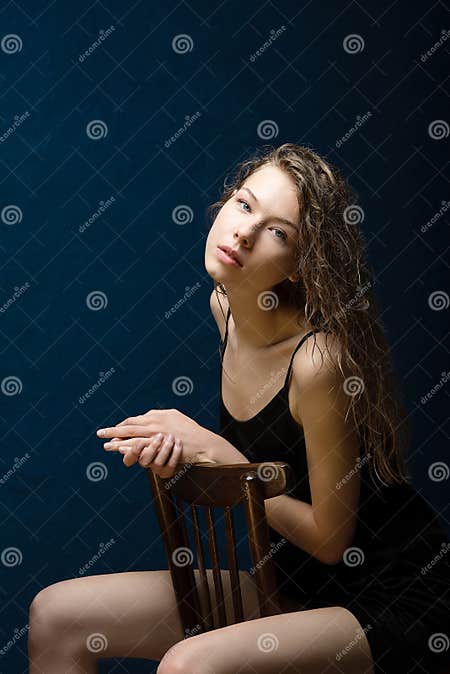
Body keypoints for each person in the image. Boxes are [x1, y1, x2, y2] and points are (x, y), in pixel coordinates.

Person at [28, 144, 450, 674]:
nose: (244, 234)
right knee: (56, 616)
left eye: (279, 232)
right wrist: (184, 460)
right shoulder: (223, 310)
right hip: (289, 583)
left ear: (300, 266)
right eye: (245, 205)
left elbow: (329, 539)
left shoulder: (318, 363)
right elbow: (258, 476)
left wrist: (223, 457)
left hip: (384, 596)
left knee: (189, 666)